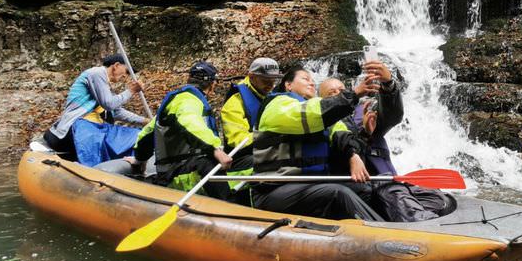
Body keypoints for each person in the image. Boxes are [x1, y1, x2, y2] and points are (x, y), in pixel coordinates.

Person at [319, 61, 454, 222]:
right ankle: (422, 226)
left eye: (341, 90)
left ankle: (415, 218)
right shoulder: (321, 123)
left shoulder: (364, 112)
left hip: (389, 184)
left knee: (437, 198)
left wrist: (387, 83)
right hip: (363, 189)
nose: (338, 94)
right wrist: (364, 134)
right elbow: (340, 153)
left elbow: (392, 114)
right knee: (389, 190)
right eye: (331, 93)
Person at [247, 65, 383, 221]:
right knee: (337, 193)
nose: (312, 83)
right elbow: (312, 114)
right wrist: (354, 94)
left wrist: (354, 152)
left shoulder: (322, 116)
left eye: (313, 80)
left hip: (309, 186)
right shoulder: (277, 105)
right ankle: (382, 235)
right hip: (273, 190)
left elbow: (341, 134)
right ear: (288, 85)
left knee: (364, 189)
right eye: (305, 79)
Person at [147, 61, 233, 200]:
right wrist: (214, 150)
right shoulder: (188, 101)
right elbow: (190, 123)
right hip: (178, 175)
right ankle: (229, 207)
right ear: (212, 84)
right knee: (210, 163)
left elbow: (148, 132)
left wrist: (139, 160)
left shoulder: (178, 101)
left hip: (174, 169)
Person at [44, 54, 147, 162]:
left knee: (136, 135)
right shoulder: (97, 73)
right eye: (126, 71)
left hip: (97, 127)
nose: (126, 76)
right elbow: (108, 104)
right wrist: (131, 91)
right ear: (116, 65)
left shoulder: (105, 86)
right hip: (79, 125)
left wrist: (145, 121)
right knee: (95, 140)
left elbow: (116, 112)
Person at [220, 57, 282, 188]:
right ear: (252, 77)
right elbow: (237, 140)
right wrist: (269, 136)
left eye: (273, 80)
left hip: (266, 151)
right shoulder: (235, 103)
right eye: (265, 80)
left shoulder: (272, 96)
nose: (270, 85)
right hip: (241, 161)